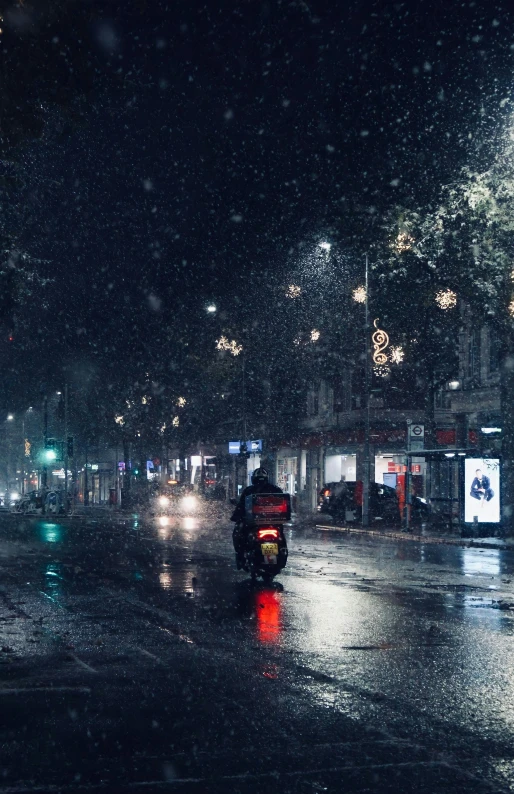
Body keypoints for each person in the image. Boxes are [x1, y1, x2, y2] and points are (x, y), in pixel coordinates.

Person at [231, 467, 283, 569]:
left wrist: (237, 516)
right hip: (271, 523)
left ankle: (242, 557)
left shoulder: (249, 490)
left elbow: (241, 506)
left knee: (238, 534)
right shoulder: (275, 490)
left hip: (254, 523)